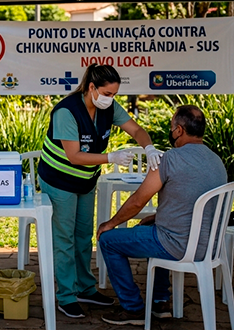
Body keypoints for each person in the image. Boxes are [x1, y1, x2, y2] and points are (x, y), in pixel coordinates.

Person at [38, 63, 163, 319]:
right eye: (107, 94)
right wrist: (111, 157)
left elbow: (137, 130)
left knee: (84, 235)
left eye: (114, 95)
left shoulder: (109, 108)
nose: (111, 99)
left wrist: (148, 147)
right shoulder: (66, 111)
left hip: (85, 181)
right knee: (64, 239)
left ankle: (85, 287)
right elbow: (74, 156)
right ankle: (66, 296)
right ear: (92, 87)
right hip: (59, 180)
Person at [97, 105, 226, 326]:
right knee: (153, 229)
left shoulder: (170, 159)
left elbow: (138, 201)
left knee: (109, 241)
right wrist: (155, 218)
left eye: (172, 125)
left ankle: (132, 308)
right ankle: (160, 301)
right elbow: (192, 204)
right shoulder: (217, 161)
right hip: (210, 247)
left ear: (179, 130)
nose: (171, 129)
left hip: (176, 245)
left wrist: (110, 223)